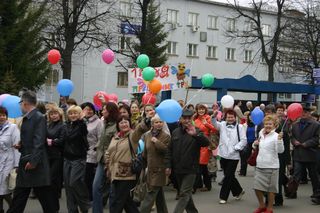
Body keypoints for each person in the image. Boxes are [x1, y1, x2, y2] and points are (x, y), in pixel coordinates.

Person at [8, 90, 55, 213]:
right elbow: (32, 138)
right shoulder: (30, 117)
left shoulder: (38, 117)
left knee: (45, 199)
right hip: (28, 162)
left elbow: (39, 141)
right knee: (20, 196)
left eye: (20, 103)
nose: (20, 106)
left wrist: (34, 161)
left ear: (24, 103)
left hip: (34, 164)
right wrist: (21, 144)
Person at [165, 108, 210, 213]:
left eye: (189, 118)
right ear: (180, 119)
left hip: (191, 169)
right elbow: (169, 150)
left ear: (192, 119)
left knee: (184, 194)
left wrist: (195, 135)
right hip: (178, 169)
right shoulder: (175, 132)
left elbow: (206, 143)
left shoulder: (197, 130)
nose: (187, 120)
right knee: (186, 194)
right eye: (184, 118)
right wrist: (168, 165)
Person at [105, 115, 151, 213]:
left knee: (117, 202)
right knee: (127, 203)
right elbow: (109, 151)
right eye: (121, 122)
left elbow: (140, 129)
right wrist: (107, 161)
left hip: (126, 174)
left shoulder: (132, 136)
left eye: (126, 122)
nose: (124, 124)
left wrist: (146, 121)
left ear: (129, 123)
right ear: (118, 125)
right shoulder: (115, 137)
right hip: (114, 173)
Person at [212, 109, 247, 204]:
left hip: (234, 156)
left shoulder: (240, 127)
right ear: (225, 117)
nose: (230, 119)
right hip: (223, 154)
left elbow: (244, 140)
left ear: (235, 117)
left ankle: (223, 197)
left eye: (232, 117)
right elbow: (214, 123)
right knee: (229, 175)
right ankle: (238, 191)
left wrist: (236, 147)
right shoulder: (222, 124)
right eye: (228, 117)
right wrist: (214, 116)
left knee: (227, 176)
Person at [253, 115, 284, 213]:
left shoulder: (276, 136)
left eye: (270, 124)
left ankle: (269, 208)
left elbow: (280, 151)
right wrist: (255, 144)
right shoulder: (261, 133)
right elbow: (257, 146)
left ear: (274, 125)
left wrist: (279, 140)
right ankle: (262, 205)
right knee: (256, 187)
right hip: (260, 165)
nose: (268, 126)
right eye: (266, 124)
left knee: (271, 189)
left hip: (272, 166)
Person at [140, 115, 171, 213]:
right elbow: (145, 152)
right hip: (149, 168)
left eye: (161, 122)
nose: (159, 124)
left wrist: (157, 142)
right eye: (156, 122)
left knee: (151, 193)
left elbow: (167, 151)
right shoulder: (147, 135)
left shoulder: (166, 136)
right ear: (152, 124)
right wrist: (143, 165)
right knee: (159, 194)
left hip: (160, 169)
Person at [92, 102, 119, 213]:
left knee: (113, 191)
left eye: (104, 110)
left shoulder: (116, 125)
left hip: (113, 161)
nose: (102, 111)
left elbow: (116, 145)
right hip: (101, 160)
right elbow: (102, 140)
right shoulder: (105, 123)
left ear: (110, 111)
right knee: (96, 186)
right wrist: (97, 147)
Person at [63, 105, 91, 213]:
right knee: (68, 188)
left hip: (78, 159)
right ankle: (72, 210)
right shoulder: (66, 125)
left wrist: (82, 120)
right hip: (67, 158)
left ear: (79, 114)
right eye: (70, 113)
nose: (73, 115)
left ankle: (85, 205)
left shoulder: (82, 125)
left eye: (75, 113)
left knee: (74, 182)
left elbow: (84, 132)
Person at [291, 104, 320, 203]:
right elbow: (292, 137)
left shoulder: (316, 125)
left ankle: (317, 195)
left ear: (309, 113)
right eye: (302, 112)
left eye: (306, 112)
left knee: (314, 176)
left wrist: (306, 144)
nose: (303, 114)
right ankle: (292, 192)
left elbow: (317, 139)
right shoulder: (295, 124)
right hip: (298, 154)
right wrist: (294, 142)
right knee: (296, 174)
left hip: (311, 154)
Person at [81, 102, 102, 201]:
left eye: (90, 109)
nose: (88, 111)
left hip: (92, 153)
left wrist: (96, 150)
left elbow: (100, 138)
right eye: (85, 109)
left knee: (88, 177)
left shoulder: (98, 122)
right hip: (81, 153)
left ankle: (90, 198)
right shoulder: (81, 121)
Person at [0, 107, 20, 213]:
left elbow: (17, 146)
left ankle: (14, 208)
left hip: (9, 161)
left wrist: (17, 165)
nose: (1, 117)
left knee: (5, 189)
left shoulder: (13, 127)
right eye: (0, 115)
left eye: (3, 115)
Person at [193, 104, 217, 192]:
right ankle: (200, 184)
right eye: (199, 109)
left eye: (203, 109)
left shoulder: (208, 118)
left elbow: (215, 129)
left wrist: (207, 124)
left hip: (205, 144)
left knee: (202, 165)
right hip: (196, 144)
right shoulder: (195, 119)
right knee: (198, 165)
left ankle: (207, 185)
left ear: (205, 110)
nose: (201, 111)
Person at [46, 106, 65, 212]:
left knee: (53, 180)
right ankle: (51, 205)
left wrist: (51, 142)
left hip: (57, 156)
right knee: (49, 181)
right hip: (48, 155)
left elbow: (62, 140)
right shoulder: (49, 125)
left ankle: (55, 207)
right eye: (52, 114)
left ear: (60, 114)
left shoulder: (63, 126)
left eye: (55, 113)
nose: (54, 116)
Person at [274, 104, 291, 206]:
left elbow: (287, 147)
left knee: (279, 178)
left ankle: (279, 199)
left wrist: (288, 161)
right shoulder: (267, 132)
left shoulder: (284, 132)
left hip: (281, 158)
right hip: (270, 157)